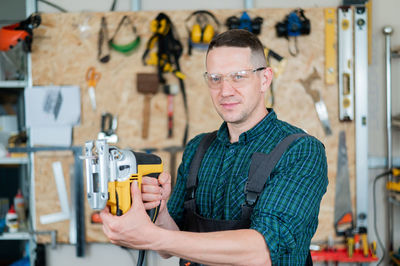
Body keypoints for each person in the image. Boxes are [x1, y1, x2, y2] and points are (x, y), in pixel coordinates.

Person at [100, 29, 328, 266]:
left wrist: (151, 236)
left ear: (265, 79)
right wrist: (159, 211)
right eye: (215, 78)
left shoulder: (301, 150)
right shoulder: (198, 148)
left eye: (238, 76)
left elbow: (263, 252)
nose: (225, 90)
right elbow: (170, 246)